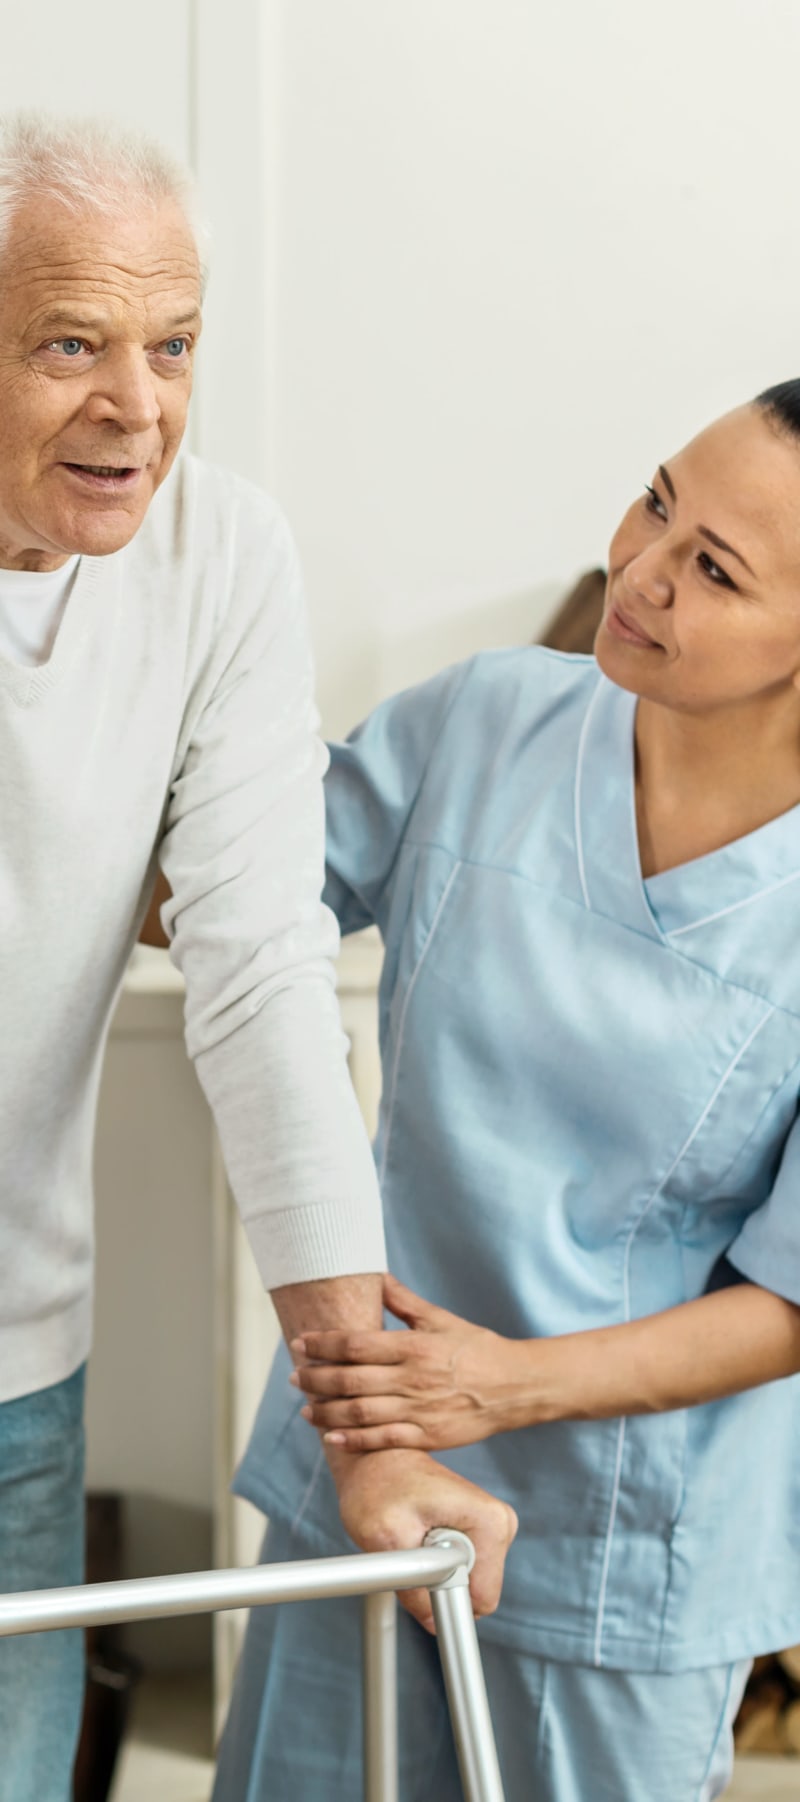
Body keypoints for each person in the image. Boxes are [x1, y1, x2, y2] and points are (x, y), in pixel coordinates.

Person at [0, 112, 515, 1802]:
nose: (134, 408)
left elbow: (259, 970)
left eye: (174, 346)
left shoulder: (222, 559)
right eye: (70, 343)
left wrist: (375, 1436)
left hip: (18, 1354)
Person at [211, 384, 800, 1801]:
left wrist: (501, 1382)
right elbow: (231, 895)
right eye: (659, 501)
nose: (644, 571)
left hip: (622, 1546)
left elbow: (790, 1303)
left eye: (715, 569)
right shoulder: (489, 721)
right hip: (369, 1453)